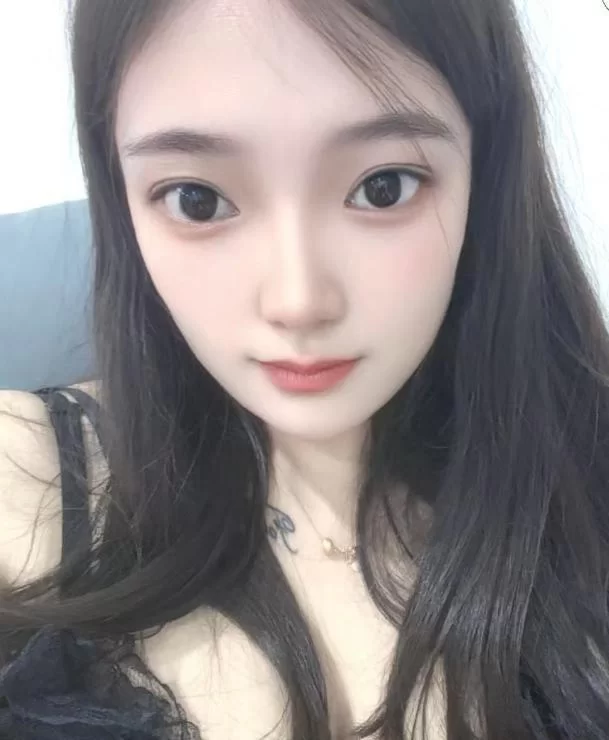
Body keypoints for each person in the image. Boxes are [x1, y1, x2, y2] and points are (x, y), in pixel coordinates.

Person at [1, 0, 609, 737]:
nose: (297, 301)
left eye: (383, 186)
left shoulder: (582, 486)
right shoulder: (24, 476)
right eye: (198, 200)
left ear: (485, 178)